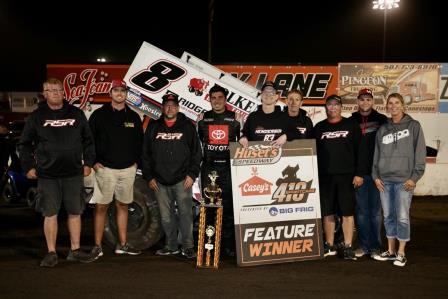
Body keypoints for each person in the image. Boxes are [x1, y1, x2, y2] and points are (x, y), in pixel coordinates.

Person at [18, 78, 95, 267]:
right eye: (51, 90)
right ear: (44, 93)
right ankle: (51, 252)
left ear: (63, 92)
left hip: (73, 173)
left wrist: (89, 163)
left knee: (75, 212)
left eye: (59, 90)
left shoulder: (76, 114)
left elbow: (88, 140)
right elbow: (24, 144)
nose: (56, 93)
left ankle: (75, 250)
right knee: (50, 213)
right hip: (47, 175)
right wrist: (28, 167)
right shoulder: (36, 116)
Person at [142, 93, 202, 259]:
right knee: (166, 216)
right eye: (167, 105)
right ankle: (171, 245)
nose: (170, 108)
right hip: (159, 181)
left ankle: (188, 247)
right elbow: (145, 154)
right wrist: (149, 177)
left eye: (173, 105)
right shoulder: (154, 126)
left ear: (178, 107)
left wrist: (192, 175)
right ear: (162, 107)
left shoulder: (187, 127)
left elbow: (197, 153)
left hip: (182, 180)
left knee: (185, 215)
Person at [88, 79, 143, 260]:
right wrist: (93, 161)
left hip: (127, 169)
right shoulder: (99, 115)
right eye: (116, 90)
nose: (120, 93)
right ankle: (97, 246)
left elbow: (139, 143)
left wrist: (136, 163)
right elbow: (88, 140)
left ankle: (122, 244)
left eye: (123, 90)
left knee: (123, 205)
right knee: (101, 207)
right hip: (105, 169)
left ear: (127, 94)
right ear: (110, 93)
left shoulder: (134, 117)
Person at [371, 93, 426, 267]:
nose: (393, 106)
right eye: (390, 103)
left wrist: (415, 177)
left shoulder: (414, 126)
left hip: (404, 181)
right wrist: (375, 176)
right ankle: (391, 251)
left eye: (397, 103)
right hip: (384, 181)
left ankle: (401, 253)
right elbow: (376, 155)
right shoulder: (383, 129)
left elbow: (420, 153)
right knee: (388, 216)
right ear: (387, 107)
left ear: (402, 105)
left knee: (402, 217)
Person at [311, 94, 367, 260]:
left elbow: (361, 151)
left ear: (341, 107)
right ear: (326, 107)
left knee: (347, 213)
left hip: (347, 176)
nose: (333, 108)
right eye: (330, 105)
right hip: (325, 177)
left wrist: (359, 173)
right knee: (327, 212)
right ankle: (329, 245)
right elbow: (312, 152)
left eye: (336, 105)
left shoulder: (351, 125)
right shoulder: (318, 128)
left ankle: (348, 246)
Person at [197, 85, 241, 257]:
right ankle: (210, 246)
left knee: (228, 209)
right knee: (209, 208)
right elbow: (198, 145)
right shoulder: (202, 119)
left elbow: (242, 141)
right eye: (213, 98)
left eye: (220, 97)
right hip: (209, 169)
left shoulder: (236, 119)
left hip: (228, 169)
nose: (216, 101)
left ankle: (228, 247)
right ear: (209, 99)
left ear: (225, 99)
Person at [349, 88, 388, 259]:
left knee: (376, 212)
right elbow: (349, 149)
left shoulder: (382, 120)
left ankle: (375, 247)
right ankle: (364, 246)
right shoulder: (351, 121)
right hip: (359, 174)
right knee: (362, 211)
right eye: (362, 99)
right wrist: (355, 172)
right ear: (357, 101)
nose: (365, 102)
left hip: (377, 174)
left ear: (373, 101)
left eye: (368, 99)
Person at [239, 81, 300, 147]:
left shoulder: (284, 117)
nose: (268, 95)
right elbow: (244, 134)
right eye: (265, 92)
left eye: (272, 92)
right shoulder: (252, 117)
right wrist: (243, 138)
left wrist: (286, 136)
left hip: (280, 156)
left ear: (277, 96)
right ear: (261, 95)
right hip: (257, 155)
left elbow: (297, 133)